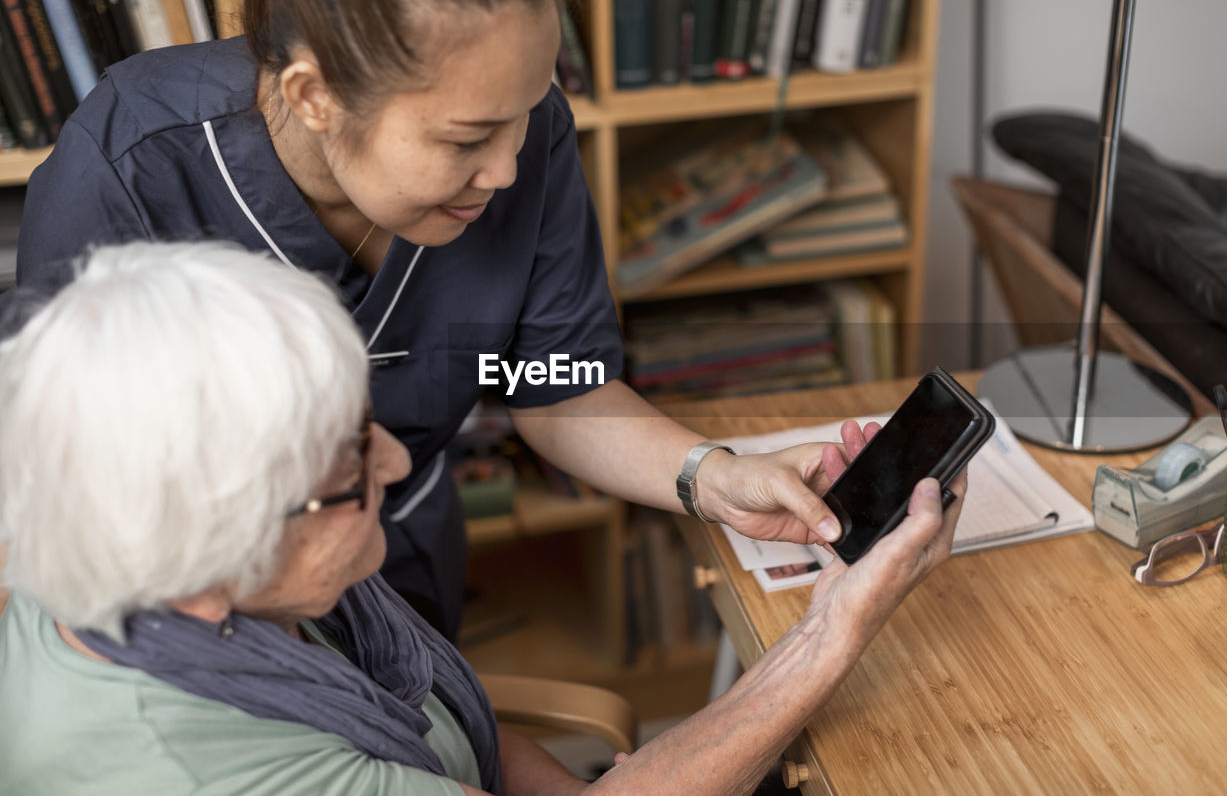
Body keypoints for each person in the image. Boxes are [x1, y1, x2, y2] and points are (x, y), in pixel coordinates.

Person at [17, 0, 867, 641]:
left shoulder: (523, 138)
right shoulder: (131, 169)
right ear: (314, 96)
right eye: (465, 139)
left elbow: (557, 383)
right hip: (197, 614)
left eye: (526, 114)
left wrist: (710, 476)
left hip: (402, 555)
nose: (505, 170)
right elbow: (79, 489)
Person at [0, 242, 966, 795]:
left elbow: (459, 731)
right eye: (346, 469)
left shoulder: (115, 549)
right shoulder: (218, 774)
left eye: (364, 423)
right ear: (207, 558)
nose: (393, 461)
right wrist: (834, 631)